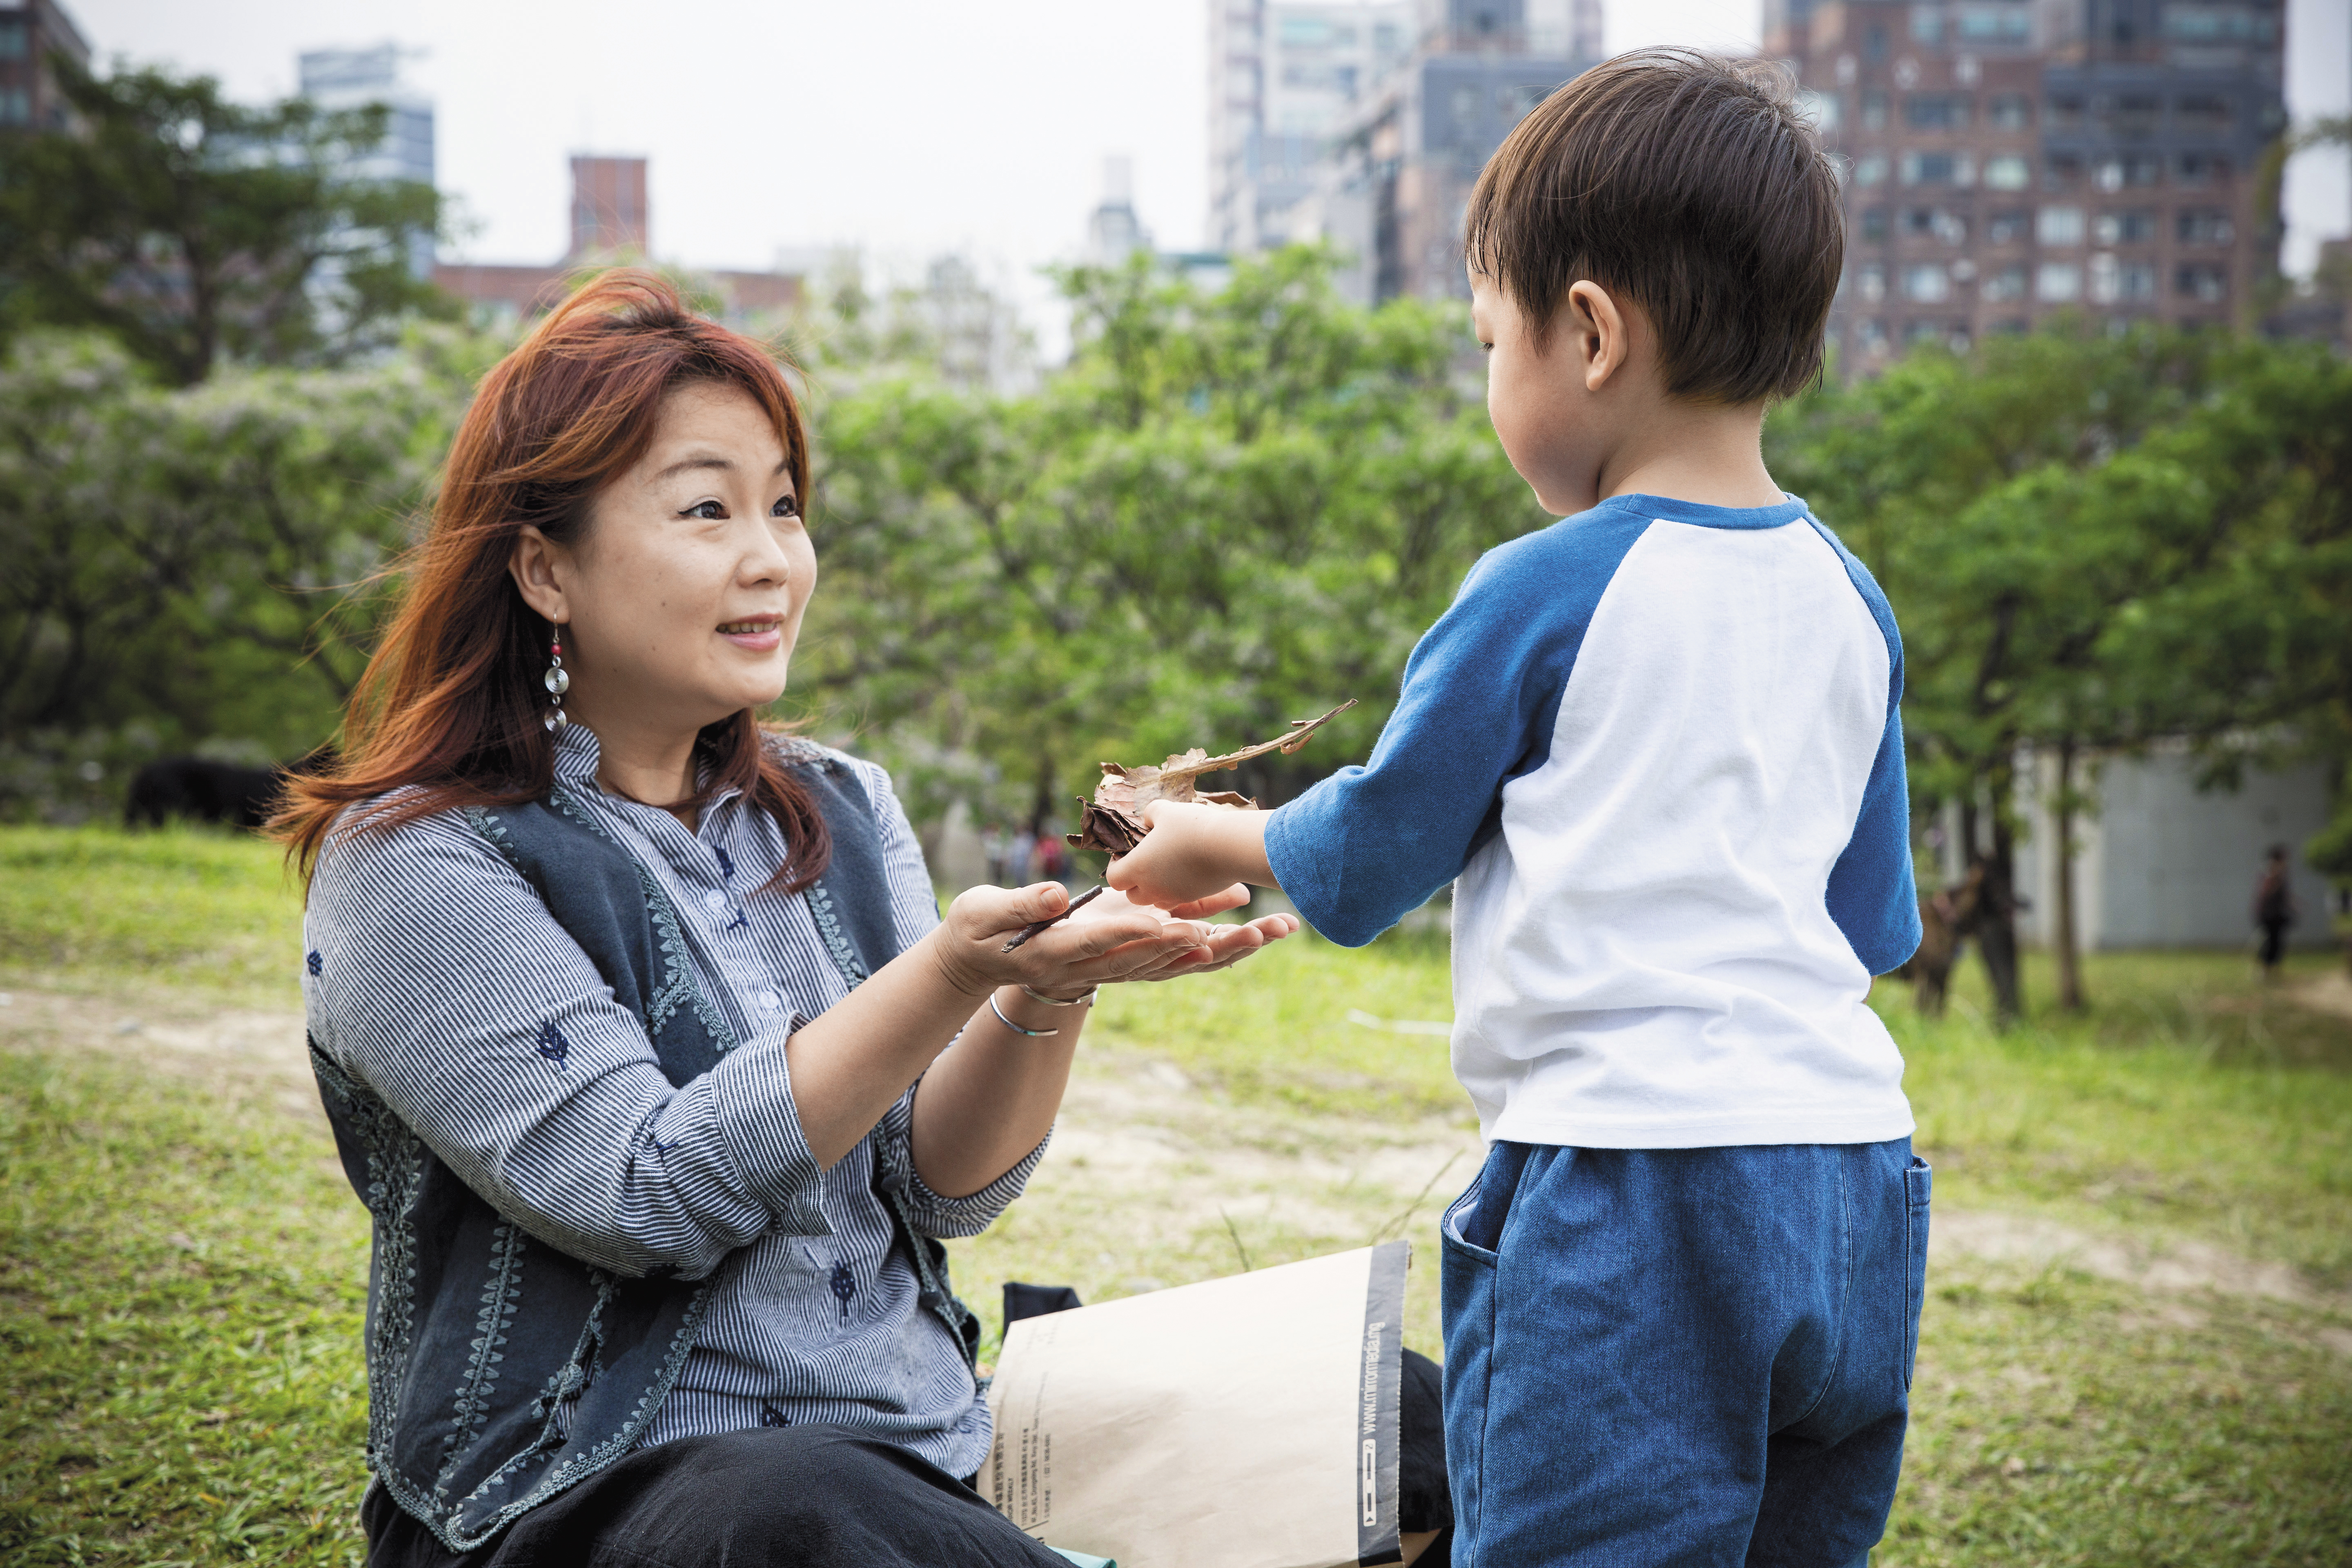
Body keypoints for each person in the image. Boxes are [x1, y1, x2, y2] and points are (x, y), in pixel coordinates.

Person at [273, 271, 1301, 1568]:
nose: (771, 556)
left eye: (785, 505)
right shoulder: (415, 861)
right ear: (544, 566)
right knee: (799, 1507)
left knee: (1389, 1407)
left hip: (924, 1454)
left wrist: (1045, 985)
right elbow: (641, 1191)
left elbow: (942, 1186)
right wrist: (942, 971)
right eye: (706, 508)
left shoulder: (840, 807)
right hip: (608, 1495)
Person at [1108, 50, 1928, 1567]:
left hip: (1634, 1204)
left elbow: (1361, 862)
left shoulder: (1541, 590)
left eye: (1490, 340)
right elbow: (1872, 920)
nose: (1490, 378)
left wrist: (1210, 836)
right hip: (1853, 1188)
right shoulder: (1849, 597)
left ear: (1587, 332)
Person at [2252, 843, 2298, 979]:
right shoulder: (2271, 871)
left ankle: (2274, 971)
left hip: (2277, 914)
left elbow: (2284, 895)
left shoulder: (2280, 873)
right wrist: (2277, 876)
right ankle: (2263, 971)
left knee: (2278, 943)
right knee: (2270, 943)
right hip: (2268, 915)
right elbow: (2266, 893)